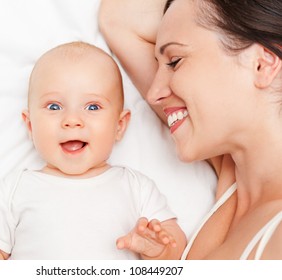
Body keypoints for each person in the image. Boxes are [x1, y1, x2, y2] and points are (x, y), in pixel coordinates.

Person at [0, 41, 186, 260]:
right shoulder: (13, 190)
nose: (72, 120)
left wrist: (158, 249)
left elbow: (175, 243)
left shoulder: (136, 187)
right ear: (31, 125)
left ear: (119, 125)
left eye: (92, 107)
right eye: (54, 107)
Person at [99, 0, 282, 259]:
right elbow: (119, 17)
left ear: (262, 64)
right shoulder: (235, 181)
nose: (153, 94)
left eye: (174, 61)